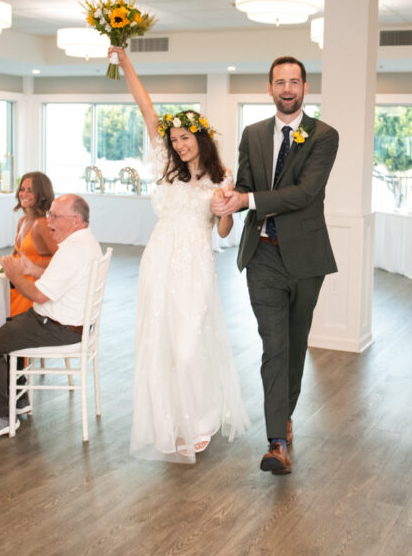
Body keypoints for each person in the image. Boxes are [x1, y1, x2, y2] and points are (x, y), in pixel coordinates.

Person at [114, 46, 248, 463]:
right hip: (158, 259)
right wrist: (124, 61)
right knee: (162, 343)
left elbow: (224, 229)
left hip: (195, 261)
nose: (179, 145)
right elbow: (146, 105)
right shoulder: (165, 165)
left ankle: (202, 418)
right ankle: (170, 420)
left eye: (185, 139)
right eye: (174, 140)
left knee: (190, 344)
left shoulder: (222, 178)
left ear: (201, 138)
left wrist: (226, 209)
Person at [212, 56, 339, 475]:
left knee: (295, 346)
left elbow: (305, 193)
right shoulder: (252, 134)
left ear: (305, 88)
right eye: (279, 82)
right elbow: (247, 186)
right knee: (274, 346)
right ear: (269, 88)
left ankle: (284, 416)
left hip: (306, 259)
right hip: (262, 254)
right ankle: (276, 442)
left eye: (294, 82)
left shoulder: (323, 136)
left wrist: (249, 200)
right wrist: (232, 196)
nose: (287, 89)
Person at [0, 193, 101, 441]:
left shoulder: (72, 250)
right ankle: (18, 401)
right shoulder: (85, 242)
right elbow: (61, 280)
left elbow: (39, 296)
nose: (48, 219)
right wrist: (30, 269)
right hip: (68, 325)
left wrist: (15, 275)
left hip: (56, 328)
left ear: (75, 220)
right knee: (6, 329)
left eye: (54, 216)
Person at [10, 172, 58, 317]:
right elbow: (16, 255)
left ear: (42, 195)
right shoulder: (22, 222)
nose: (24, 193)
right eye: (22, 189)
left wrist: (29, 264)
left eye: (30, 190)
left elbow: (60, 260)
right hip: (19, 284)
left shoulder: (43, 224)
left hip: (34, 289)